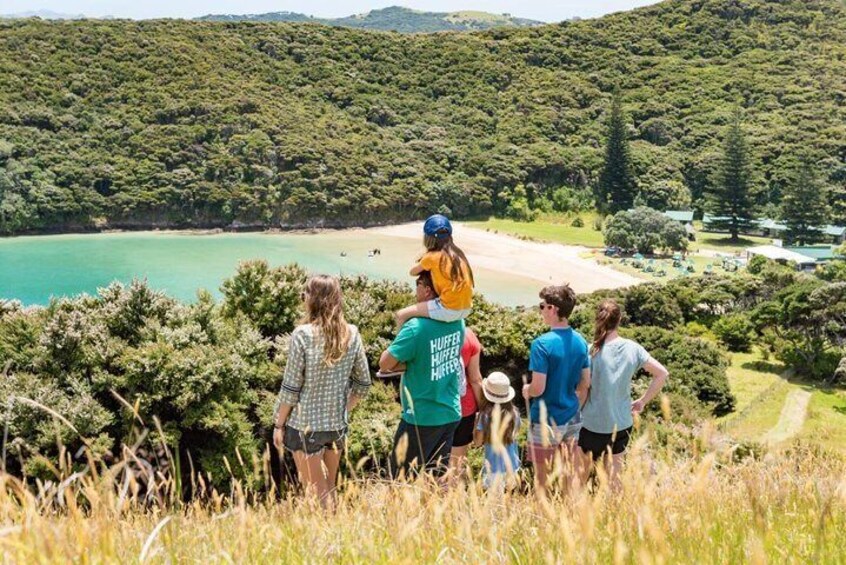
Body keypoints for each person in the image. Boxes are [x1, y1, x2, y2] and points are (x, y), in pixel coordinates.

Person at [272, 275, 371, 509]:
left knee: (317, 492)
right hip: (336, 426)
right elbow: (363, 384)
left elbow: (291, 386)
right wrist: (343, 409)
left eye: (305, 293)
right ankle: (332, 534)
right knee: (328, 486)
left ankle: (332, 539)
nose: (303, 298)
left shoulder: (303, 334)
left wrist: (279, 424)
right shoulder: (352, 333)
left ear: (312, 299)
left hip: (305, 426)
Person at [579, 299, 669, 491]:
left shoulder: (589, 350)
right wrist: (643, 401)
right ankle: (616, 515)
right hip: (622, 423)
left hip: (592, 423)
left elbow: (584, 388)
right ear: (619, 320)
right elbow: (662, 373)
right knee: (614, 477)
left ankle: (576, 514)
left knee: (581, 476)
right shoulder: (633, 348)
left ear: (597, 320)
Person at [379, 283, 465, 479]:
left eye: (417, 285)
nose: (414, 290)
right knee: (433, 482)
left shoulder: (415, 327)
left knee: (399, 482)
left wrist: (409, 364)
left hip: (421, 415)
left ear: (427, 289)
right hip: (450, 412)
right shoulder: (458, 322)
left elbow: (385, 363)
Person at [522, 283, 591, 494]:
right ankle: (569, 513)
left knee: (541, 477)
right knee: (569, 473)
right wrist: (573, 406)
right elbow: (585, 383)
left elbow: (538, 388)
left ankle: (543, 517)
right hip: (572, 416)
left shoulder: (541, 344)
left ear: (553, 309)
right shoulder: (581, 341)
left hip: (545, 419)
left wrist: (527, 390)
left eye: (542, 306)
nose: (541, 310)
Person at [395, 214, 474, 327]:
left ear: (428, 239)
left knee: (401, 315)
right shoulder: (458, 255)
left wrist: (424, 256)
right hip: (466, 309)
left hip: (448, 310)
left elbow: (412, 272)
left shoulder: (432, 256)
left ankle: (402, 344)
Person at [473, 372, 521, 490]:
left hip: (493, 468)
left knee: (494, 505)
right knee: (508, 502)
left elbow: (478, 442)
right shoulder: (515, 413)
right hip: (513, 466)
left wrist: (475, 425)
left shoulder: (485, 415)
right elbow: (514, 435)